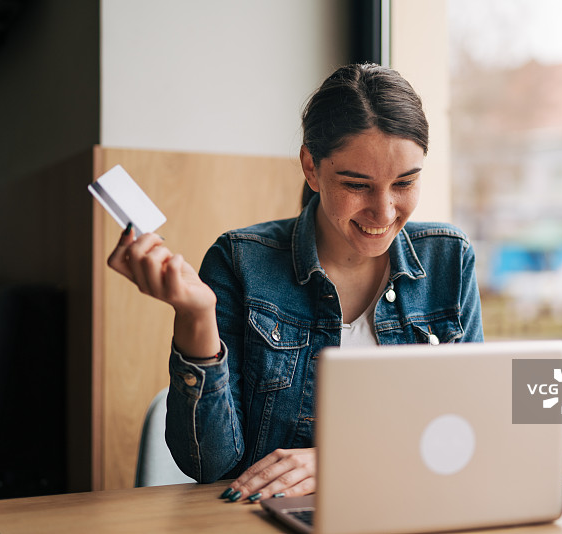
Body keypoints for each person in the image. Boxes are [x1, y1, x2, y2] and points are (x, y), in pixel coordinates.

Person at [107, 63, 484, 503]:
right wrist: (196, 315)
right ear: (311, 166)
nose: (384, 213)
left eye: (405, 182)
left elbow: (472, 427)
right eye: (356, 184)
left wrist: (343, 461)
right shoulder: (240, 262)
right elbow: (209, 467)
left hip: (414, 508)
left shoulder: (449, 258)